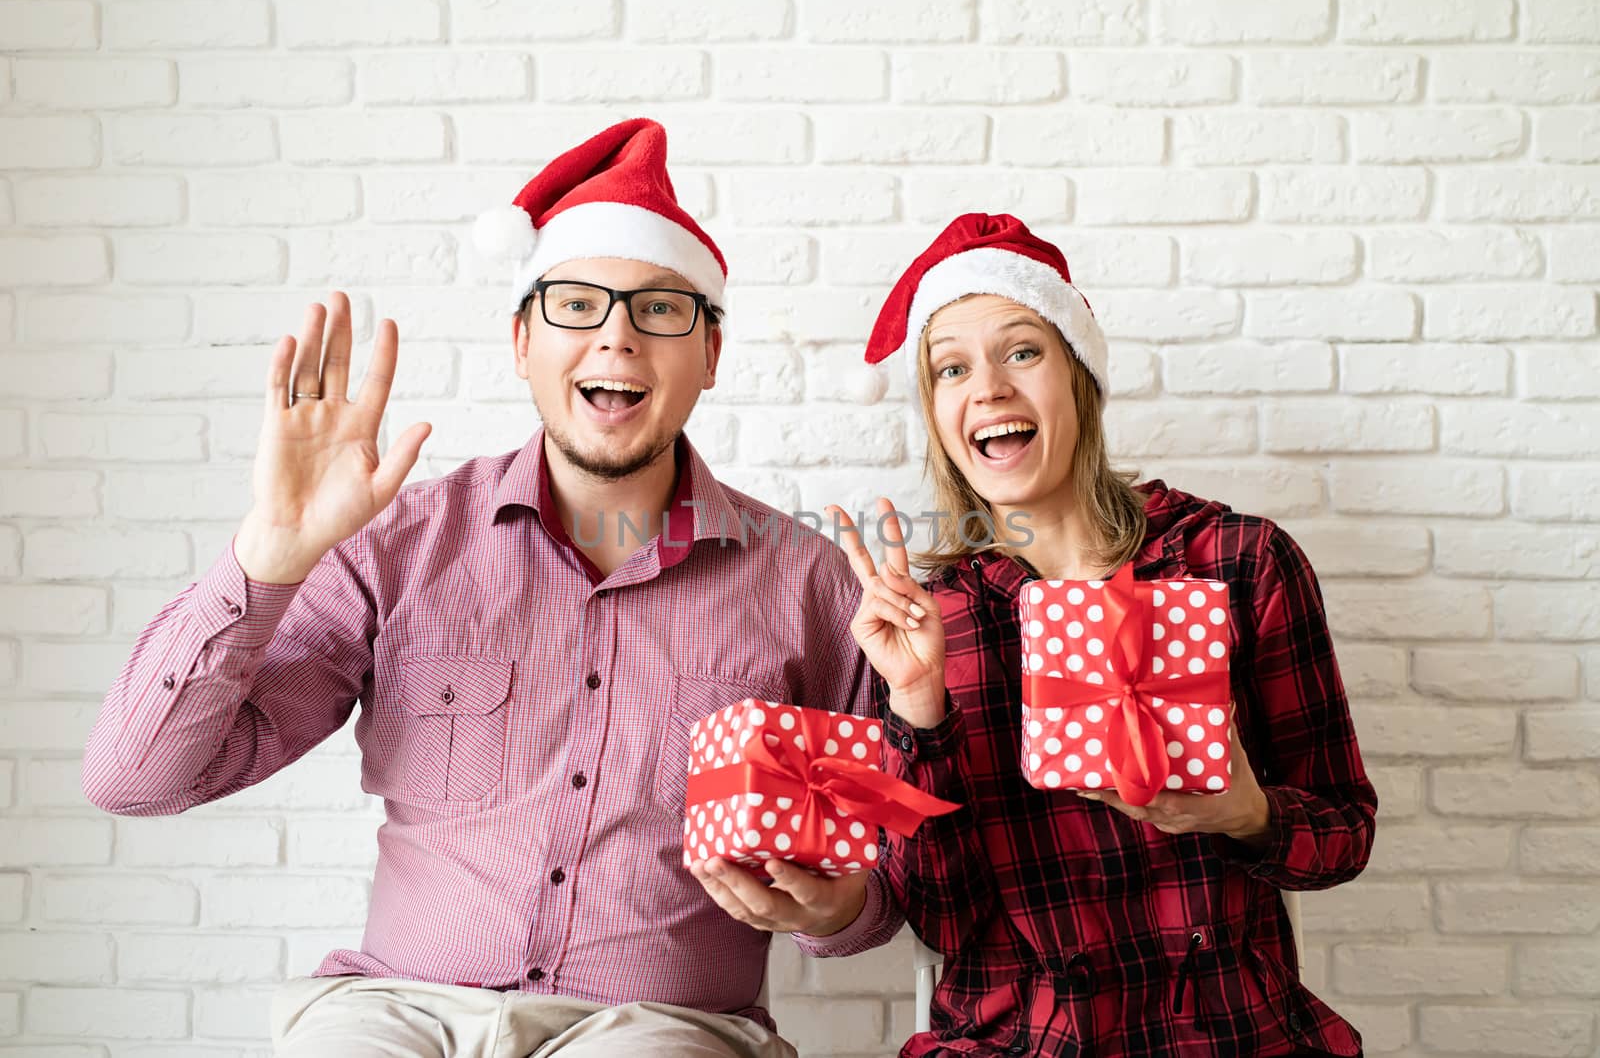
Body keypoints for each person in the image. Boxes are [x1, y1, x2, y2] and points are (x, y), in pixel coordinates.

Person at [81, 118, 898, 1058]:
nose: (618, 337)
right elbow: (133, 782)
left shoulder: (807, 583)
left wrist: (836, 904)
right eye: (577, 305)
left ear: (711, 354)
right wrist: (268, 555)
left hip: (661, 1029)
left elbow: (871, 905)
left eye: (662, 309)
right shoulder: (397, 546)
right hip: (395, 1012)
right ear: (520, 341)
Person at [818, 213, 1378, 1056]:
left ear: (1079, 377)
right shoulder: (929, 619)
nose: (990, 389)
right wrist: (917, 702)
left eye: (1022, 351)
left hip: (1227, 1035)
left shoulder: (1237, 563)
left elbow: (1341, 837)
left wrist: (1249, 812)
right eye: (952, 368)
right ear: (936, 415)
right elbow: (938, 914)